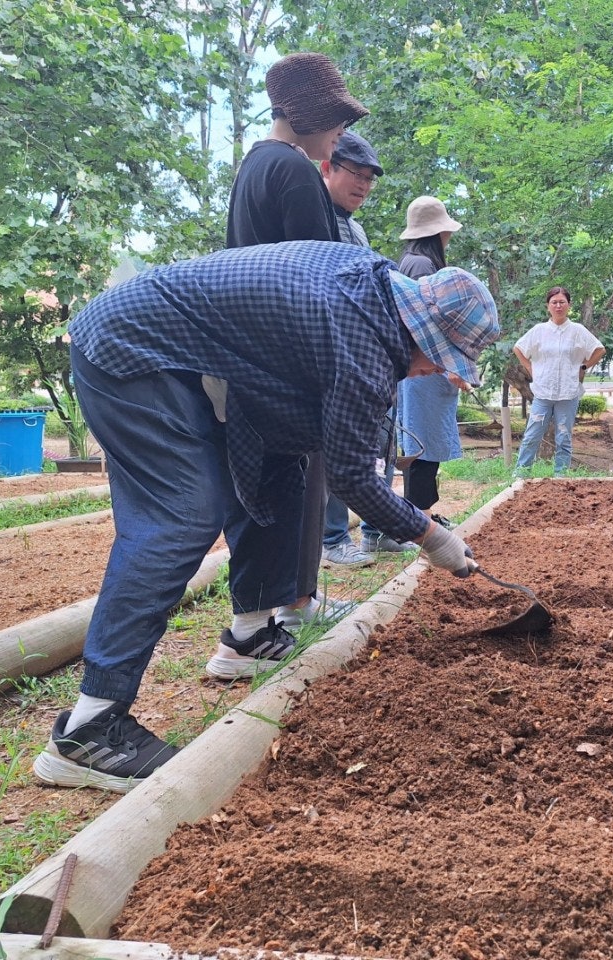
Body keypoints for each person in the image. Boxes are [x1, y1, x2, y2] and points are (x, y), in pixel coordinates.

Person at [32, 241, 500, 792]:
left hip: (206, 363)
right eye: (437, 360)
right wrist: (430, 535)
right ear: (418, 334)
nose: (429, 372)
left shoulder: (375, 288)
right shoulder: (361, 342)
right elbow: (354, 479)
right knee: (183, 514)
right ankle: (90, 728)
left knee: (281, 475)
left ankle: (248, 637)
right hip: (136, 351)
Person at [226, 52, 367, 623]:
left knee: (283, 486)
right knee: (289, 486)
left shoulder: (255, 166)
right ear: (306, 117)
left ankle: (293, 602)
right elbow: (318, 282)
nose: (340, 135)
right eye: (335, 123)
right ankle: (276, 615)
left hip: (253, 349)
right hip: (284, 356)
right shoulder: (293, 171)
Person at [317, 131, 392, 567]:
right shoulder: (314, 215)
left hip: (351, 354)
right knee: (330, 452)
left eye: (369, 179)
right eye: (355, 175)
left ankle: (360, 533)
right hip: (325, 352)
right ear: (327, 167)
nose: (362, 185)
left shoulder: (356, 229)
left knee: (359, 450)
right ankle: (331, 538)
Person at [395, 196, 468, 526]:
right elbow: (428, 327)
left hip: (420, 371)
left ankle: (422, 516)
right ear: (436, 233)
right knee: (422, 448)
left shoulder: (411, 262)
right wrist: (452, 365)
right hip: (425, 371)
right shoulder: (424, 267)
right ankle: (419, 522)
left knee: (421, 445)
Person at [512, 286, 605, 475]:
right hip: (543, 392)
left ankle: (561, 475)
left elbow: (599, 349)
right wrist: (529, 367)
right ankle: (520, 474)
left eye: (562, 302)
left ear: (569, 305)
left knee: (564, 436)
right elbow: (518, 348)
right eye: (554, 302)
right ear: (548, 306)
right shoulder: (539, 330)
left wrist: (584, 367)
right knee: (532, 434)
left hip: (568, 393)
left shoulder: (578, 330)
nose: (558, 306)